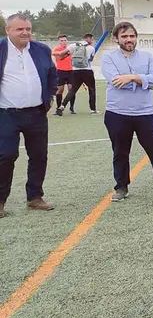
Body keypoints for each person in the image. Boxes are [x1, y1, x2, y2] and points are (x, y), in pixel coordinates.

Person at [101, 22, 153, 202]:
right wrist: (143, 82)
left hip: (145, 113)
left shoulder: (147, 57)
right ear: (116, 39)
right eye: (124, 36)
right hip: (117, 113)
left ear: (136, 37)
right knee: (120, 152)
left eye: (132, 36)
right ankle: (121, 187)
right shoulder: (108, 58)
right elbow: (115, 81)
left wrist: (132, 77)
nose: (129, 40)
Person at [0, 13, 57, 217]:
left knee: (39, 155)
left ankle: (34, 197)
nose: (25, 33)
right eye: (19, 29)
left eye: (28, 29)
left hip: (36, 114)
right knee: (5, 155)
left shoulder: (41, 49)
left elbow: (52, 74)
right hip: (6, 113)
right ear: (8, 30)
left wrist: (49, 97)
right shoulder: (1, 49)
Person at [59, 33, 98, 114]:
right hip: (87, 70)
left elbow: (62, 53)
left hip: (75, 71)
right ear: (89, 39)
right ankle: (92, 110)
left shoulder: (73, 45)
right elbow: (91, 59)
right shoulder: (91, 48)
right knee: (92, 90)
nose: (92, 40)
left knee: (73, 90)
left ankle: (62, 106)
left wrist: (68, 54)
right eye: (92, 39)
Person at [52, 34, 75, 115]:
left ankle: (72, 108)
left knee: (71, 89)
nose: (64, 42)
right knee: (60, 90)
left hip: (70, 71)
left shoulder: (71, 49)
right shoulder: (56, 49)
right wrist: (67, 53)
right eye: (62, 41)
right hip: (60, 71)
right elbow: (59, 58)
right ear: (59, 42)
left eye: (65, 40)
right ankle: (58, 107)